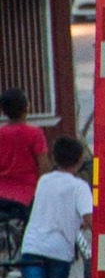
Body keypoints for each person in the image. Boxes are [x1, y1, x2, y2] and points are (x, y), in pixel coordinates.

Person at [19, 136, 92, 278]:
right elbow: (88, 217)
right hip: (59, 250)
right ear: (80, 159)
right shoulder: (80, 187)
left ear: (54, 158)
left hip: (32, 245)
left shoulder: (44, 181)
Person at [0, 87, 49, 222]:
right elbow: (44, 167)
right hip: (27, 195)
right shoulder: (34, 133)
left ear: (3, 111)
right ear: (27, 107)